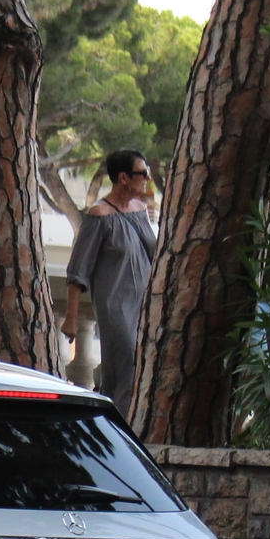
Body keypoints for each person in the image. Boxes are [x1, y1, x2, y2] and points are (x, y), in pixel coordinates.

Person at [63, 148, 158, 419]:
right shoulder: (99, 215)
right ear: (123, 178)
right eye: (142, 173)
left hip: (144, 304)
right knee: (125, 360)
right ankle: (119, 423)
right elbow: (78, 270)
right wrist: (71, 318)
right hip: (115, 305)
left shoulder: (140, 211)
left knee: (141, 364)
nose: (147, 178)